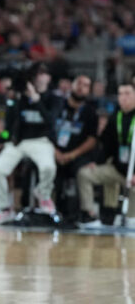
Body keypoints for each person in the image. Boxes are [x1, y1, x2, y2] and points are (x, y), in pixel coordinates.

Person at [0, 63, 62, 224]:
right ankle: (4, 209)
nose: (39, 76)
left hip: (42, 141)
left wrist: (36, 99)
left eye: (43, 73)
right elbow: (10, 121)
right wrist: (15, 99)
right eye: (37, 73)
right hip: (19, 142)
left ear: (48, 77)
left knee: (48, 167)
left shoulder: (55, 98)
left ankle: (43, 194)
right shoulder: (21, 97)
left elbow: (50, 121)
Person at [77, 83, 135, 228]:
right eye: (120, 94)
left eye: (127, 93)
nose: (123, 97)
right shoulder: (115, 117)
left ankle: (131, 217)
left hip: (133, 172)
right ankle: (90, 215)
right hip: (117, 168)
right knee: (84, 174)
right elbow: (106, 146)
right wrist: (96, 162)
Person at [53, 75, 97, 216]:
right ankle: (45, 210)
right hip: (54, 153)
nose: (81, 87)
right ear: (71, 85)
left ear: (89, 90)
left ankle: (84, 213)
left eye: (85, 85)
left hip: (77, 156)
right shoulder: (58, 105)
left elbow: (92, 140)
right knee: (45, 167)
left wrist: (71, 155)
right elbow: (46, 131)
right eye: (78, 83)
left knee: (83, 172)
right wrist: (56, 152)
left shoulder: (90, 112)